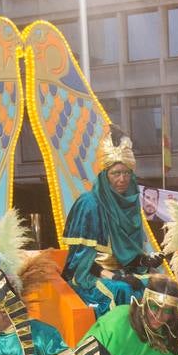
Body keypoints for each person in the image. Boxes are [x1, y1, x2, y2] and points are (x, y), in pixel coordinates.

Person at [61, 127, 156, 315]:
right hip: (92, 275)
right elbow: (81, 263)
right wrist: (114, 276)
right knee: (123, 290)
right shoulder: (89, 204)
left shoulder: (130, 205)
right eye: (116, 173)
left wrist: (147, 260)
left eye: (127, 173)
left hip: (121, 273)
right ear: (105, 175)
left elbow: (128, 256)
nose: (122, 179)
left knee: (159, 285)